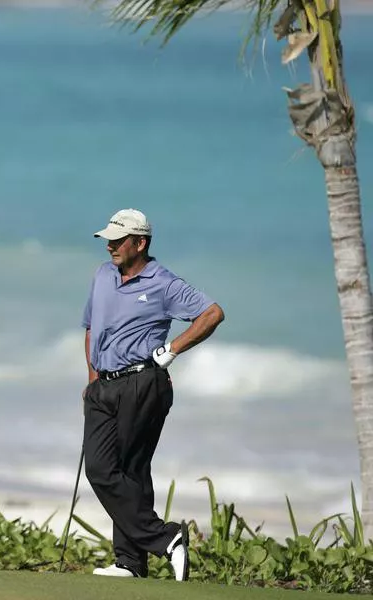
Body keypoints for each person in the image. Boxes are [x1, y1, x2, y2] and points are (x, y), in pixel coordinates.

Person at [81, 208, 224, 582]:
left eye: (118, 240)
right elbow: (90, 326)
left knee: (131, 471)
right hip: (103, 385)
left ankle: (131, 560)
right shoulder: (102, 275)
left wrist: (173, 349)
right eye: (108, 239)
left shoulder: (163, 283)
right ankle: (163, 539)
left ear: (140, 243)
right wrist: (93, 375)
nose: (110, 246)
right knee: (100, 469)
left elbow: (211, 313)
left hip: (142, 383)